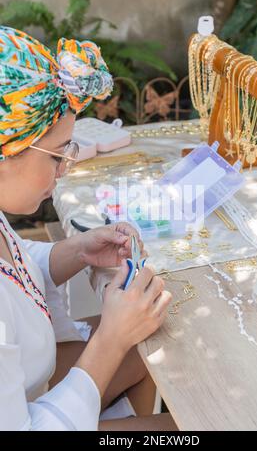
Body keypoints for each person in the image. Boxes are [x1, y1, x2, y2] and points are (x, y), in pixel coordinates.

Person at [0, 26, 176, 431]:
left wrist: (77, 250)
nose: (65, 169)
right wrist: (111, 339)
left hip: (29, 391)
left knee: (156, 349)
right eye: (58, 154)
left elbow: (15, 270)